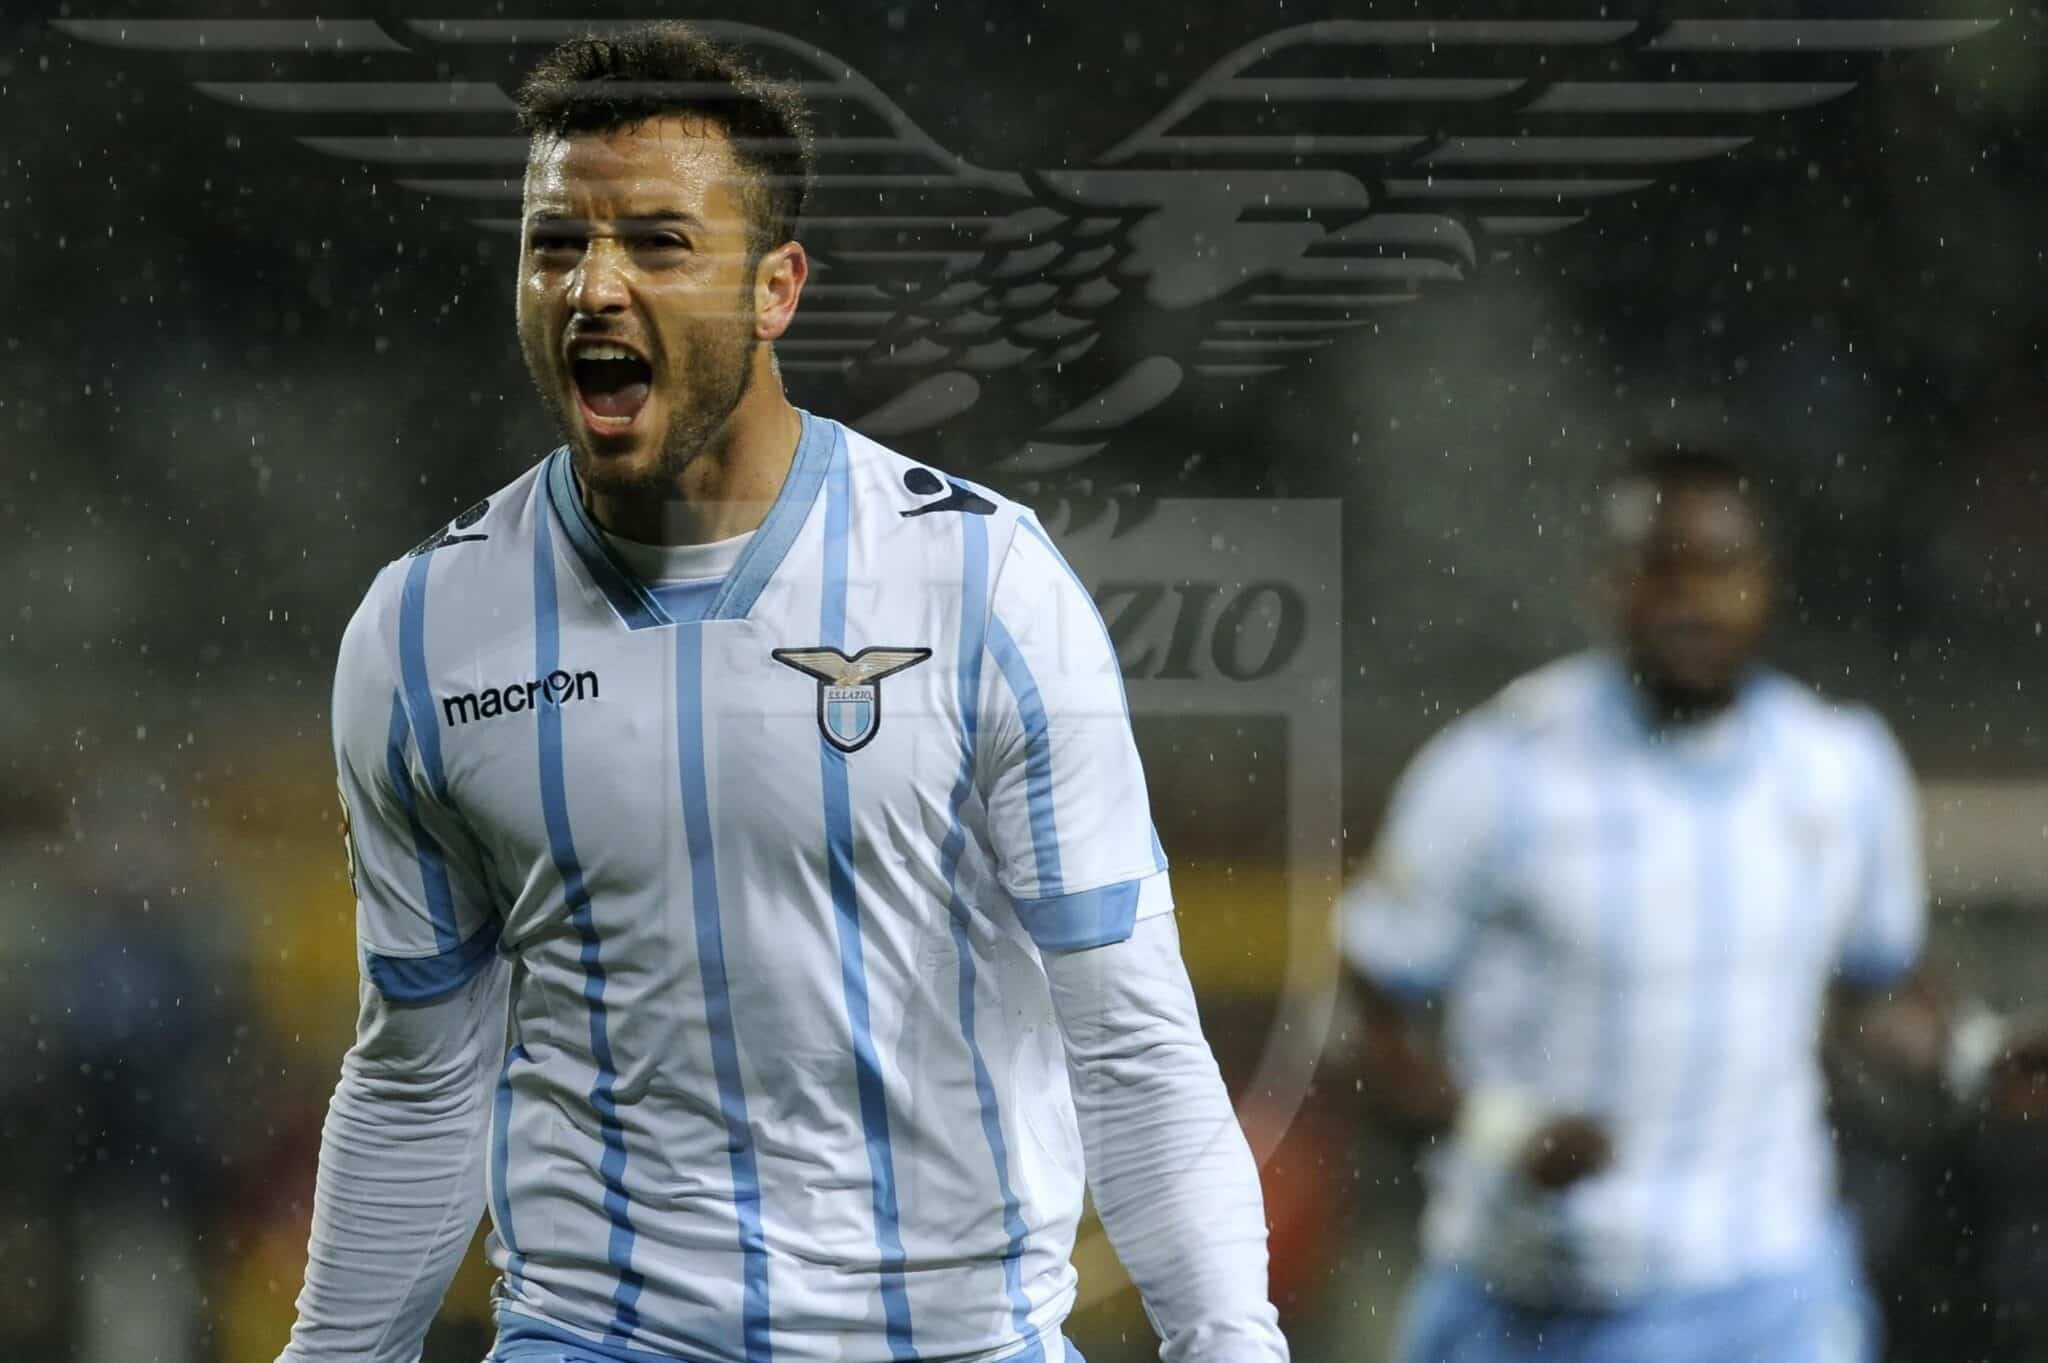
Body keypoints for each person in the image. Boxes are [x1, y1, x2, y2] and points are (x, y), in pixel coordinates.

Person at [278, 23, 1286, 1363]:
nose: (592, 287)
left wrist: (1230, 1341)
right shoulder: (420, 631)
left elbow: (1132, 1039)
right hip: (595, 1334)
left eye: (657, 243)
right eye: (554, 243)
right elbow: (417, 1074)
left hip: (949, 1339)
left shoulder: (980, 581)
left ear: (775, 289)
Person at [1339, 446, 2039, 1363]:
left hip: (1771, 1296)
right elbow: (1355, 1029)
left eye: (1719, 567)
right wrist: (1497, 1128)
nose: (1691, 600)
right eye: (1659, 568)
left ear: (1767, 580)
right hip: (1536, 1305)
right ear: (1606, 582)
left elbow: (1872, 997)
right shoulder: (1497, 772)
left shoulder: (1838, 769)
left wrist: (1975, 1051)